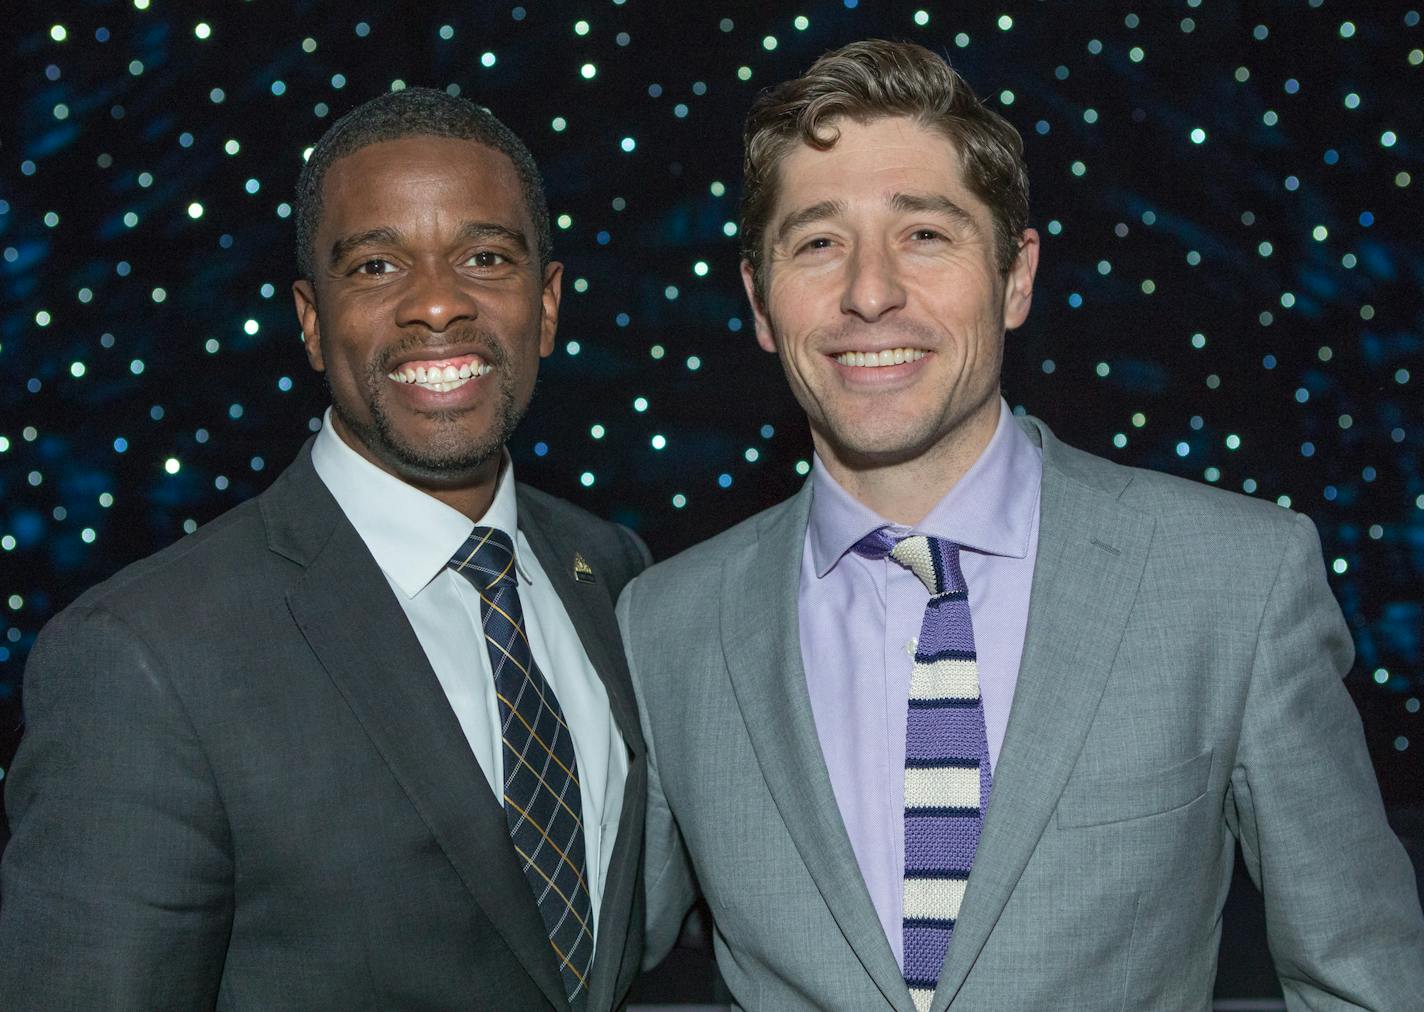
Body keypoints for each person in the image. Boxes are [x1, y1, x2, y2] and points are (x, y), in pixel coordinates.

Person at [618, 40, 1424, 1011]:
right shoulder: (665, 624)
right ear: (758, 299)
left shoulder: (1232, 579)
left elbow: (1364, 979)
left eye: (924, 233)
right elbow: (593, 960)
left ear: (1014, 274)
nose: (869, 292)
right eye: (818, 241)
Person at [0, 88, 649, 1011]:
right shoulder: (141, 655)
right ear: (310, 319)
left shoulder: (617, 573)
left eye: (486, 257)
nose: (436, 304)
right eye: (378, 265)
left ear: (546, 305)